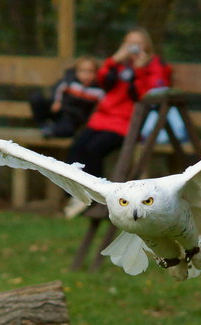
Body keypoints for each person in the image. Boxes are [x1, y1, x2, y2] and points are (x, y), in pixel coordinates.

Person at [64, 27, 171, 217]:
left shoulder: (154, 65)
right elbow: (103, 81)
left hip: (127, 123)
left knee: (94, 149)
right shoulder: (119, 65)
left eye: (137, 43)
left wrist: (139, 70)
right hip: (103, 118)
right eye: (129, 43)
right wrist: (114, 60)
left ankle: (93, 195)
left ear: (146, 45)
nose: (133, 48)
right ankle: (76, 194)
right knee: (77, 147)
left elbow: (150, 92)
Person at [29, 55, 104, 138]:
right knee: (36, 98)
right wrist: (56, 101)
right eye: (82, 71)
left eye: (90, 71)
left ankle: (51, 130)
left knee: (67, 130)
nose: (86, 75)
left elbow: (98, 108)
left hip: (72, 118)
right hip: (57, 110)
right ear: (76, 71)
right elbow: (58, 89)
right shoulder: (69, 81)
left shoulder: (98, 91)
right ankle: (43, 125)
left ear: (96, 73)